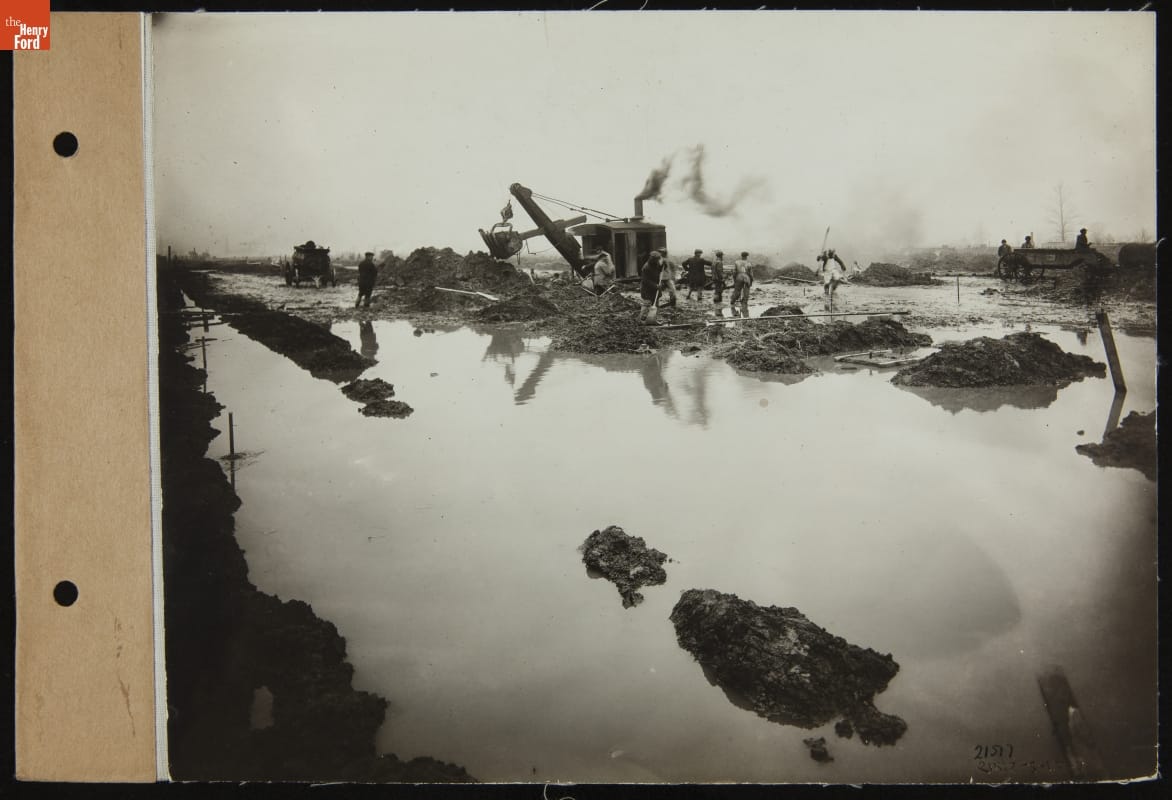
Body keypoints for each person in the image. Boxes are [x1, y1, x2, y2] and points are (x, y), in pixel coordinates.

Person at [638, 250, 664, 325]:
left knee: (656, 305)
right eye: (656, 259)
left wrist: (663, 266)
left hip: (655, 289)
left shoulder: (656, 264)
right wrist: (655, 285)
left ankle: (653, 319)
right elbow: (645, 280)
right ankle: (640, 320)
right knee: (646, 305)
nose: (657, 261)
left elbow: (660, 269)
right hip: (647, 290)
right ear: (652, 259)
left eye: (658, 259)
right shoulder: (646, 267)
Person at [730, 251, 753, 317]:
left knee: (737, 290)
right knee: (746, 291)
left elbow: (734, 272)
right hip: (746, 277)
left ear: (741, 256)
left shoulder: (737, 262)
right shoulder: (749, 263)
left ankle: (732, 301)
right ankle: (744, 304)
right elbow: (751, 274)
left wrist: (734, 279)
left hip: (739, 277)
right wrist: (751, 280)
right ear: (746, 256)